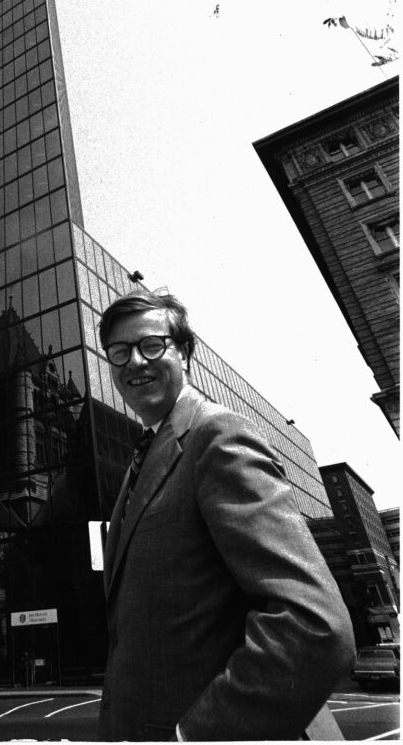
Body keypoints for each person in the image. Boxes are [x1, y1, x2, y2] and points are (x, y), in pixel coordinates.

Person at [97, 290, 355, 742]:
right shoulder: (144, 462)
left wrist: (196, 737)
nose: (134, 362)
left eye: (151, 345)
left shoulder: (218, 436)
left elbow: (313, 625)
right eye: (119, 352)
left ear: (186, 354)